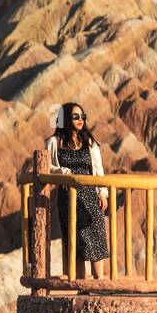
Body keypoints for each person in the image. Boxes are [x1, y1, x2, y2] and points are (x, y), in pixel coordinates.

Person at [47, 102, 109, 278]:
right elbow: (46, 166)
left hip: (91, 197)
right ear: (65, 118)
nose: (80, 120)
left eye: (83, 116)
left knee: (97, 240)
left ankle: (100, 283)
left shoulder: (88, 142)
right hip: (69, 198)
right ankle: (82, 287)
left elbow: (98, 170)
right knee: (77, 241)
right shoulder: (53, 142)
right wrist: (63, 172)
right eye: (76, 116)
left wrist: (102, 193)